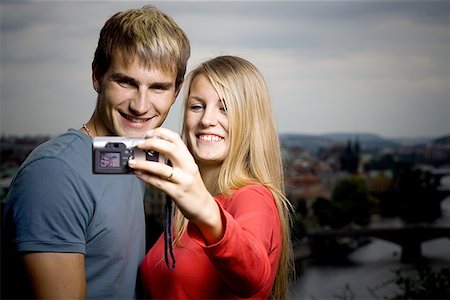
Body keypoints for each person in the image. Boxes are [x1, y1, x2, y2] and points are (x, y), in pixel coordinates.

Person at [1, 5, 190, 299]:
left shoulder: (124, 155)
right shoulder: (54, 174)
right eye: (126, 82)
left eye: (158, 88)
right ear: (97, 76)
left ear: (175, 93)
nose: (140, 106)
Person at [129, 55, 295, 299]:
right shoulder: (188, 203)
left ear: (250, 121)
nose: (207, 120)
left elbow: (253, 275)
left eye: (225, 109)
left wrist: (206, 212)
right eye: (197, 106)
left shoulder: (253, 197)